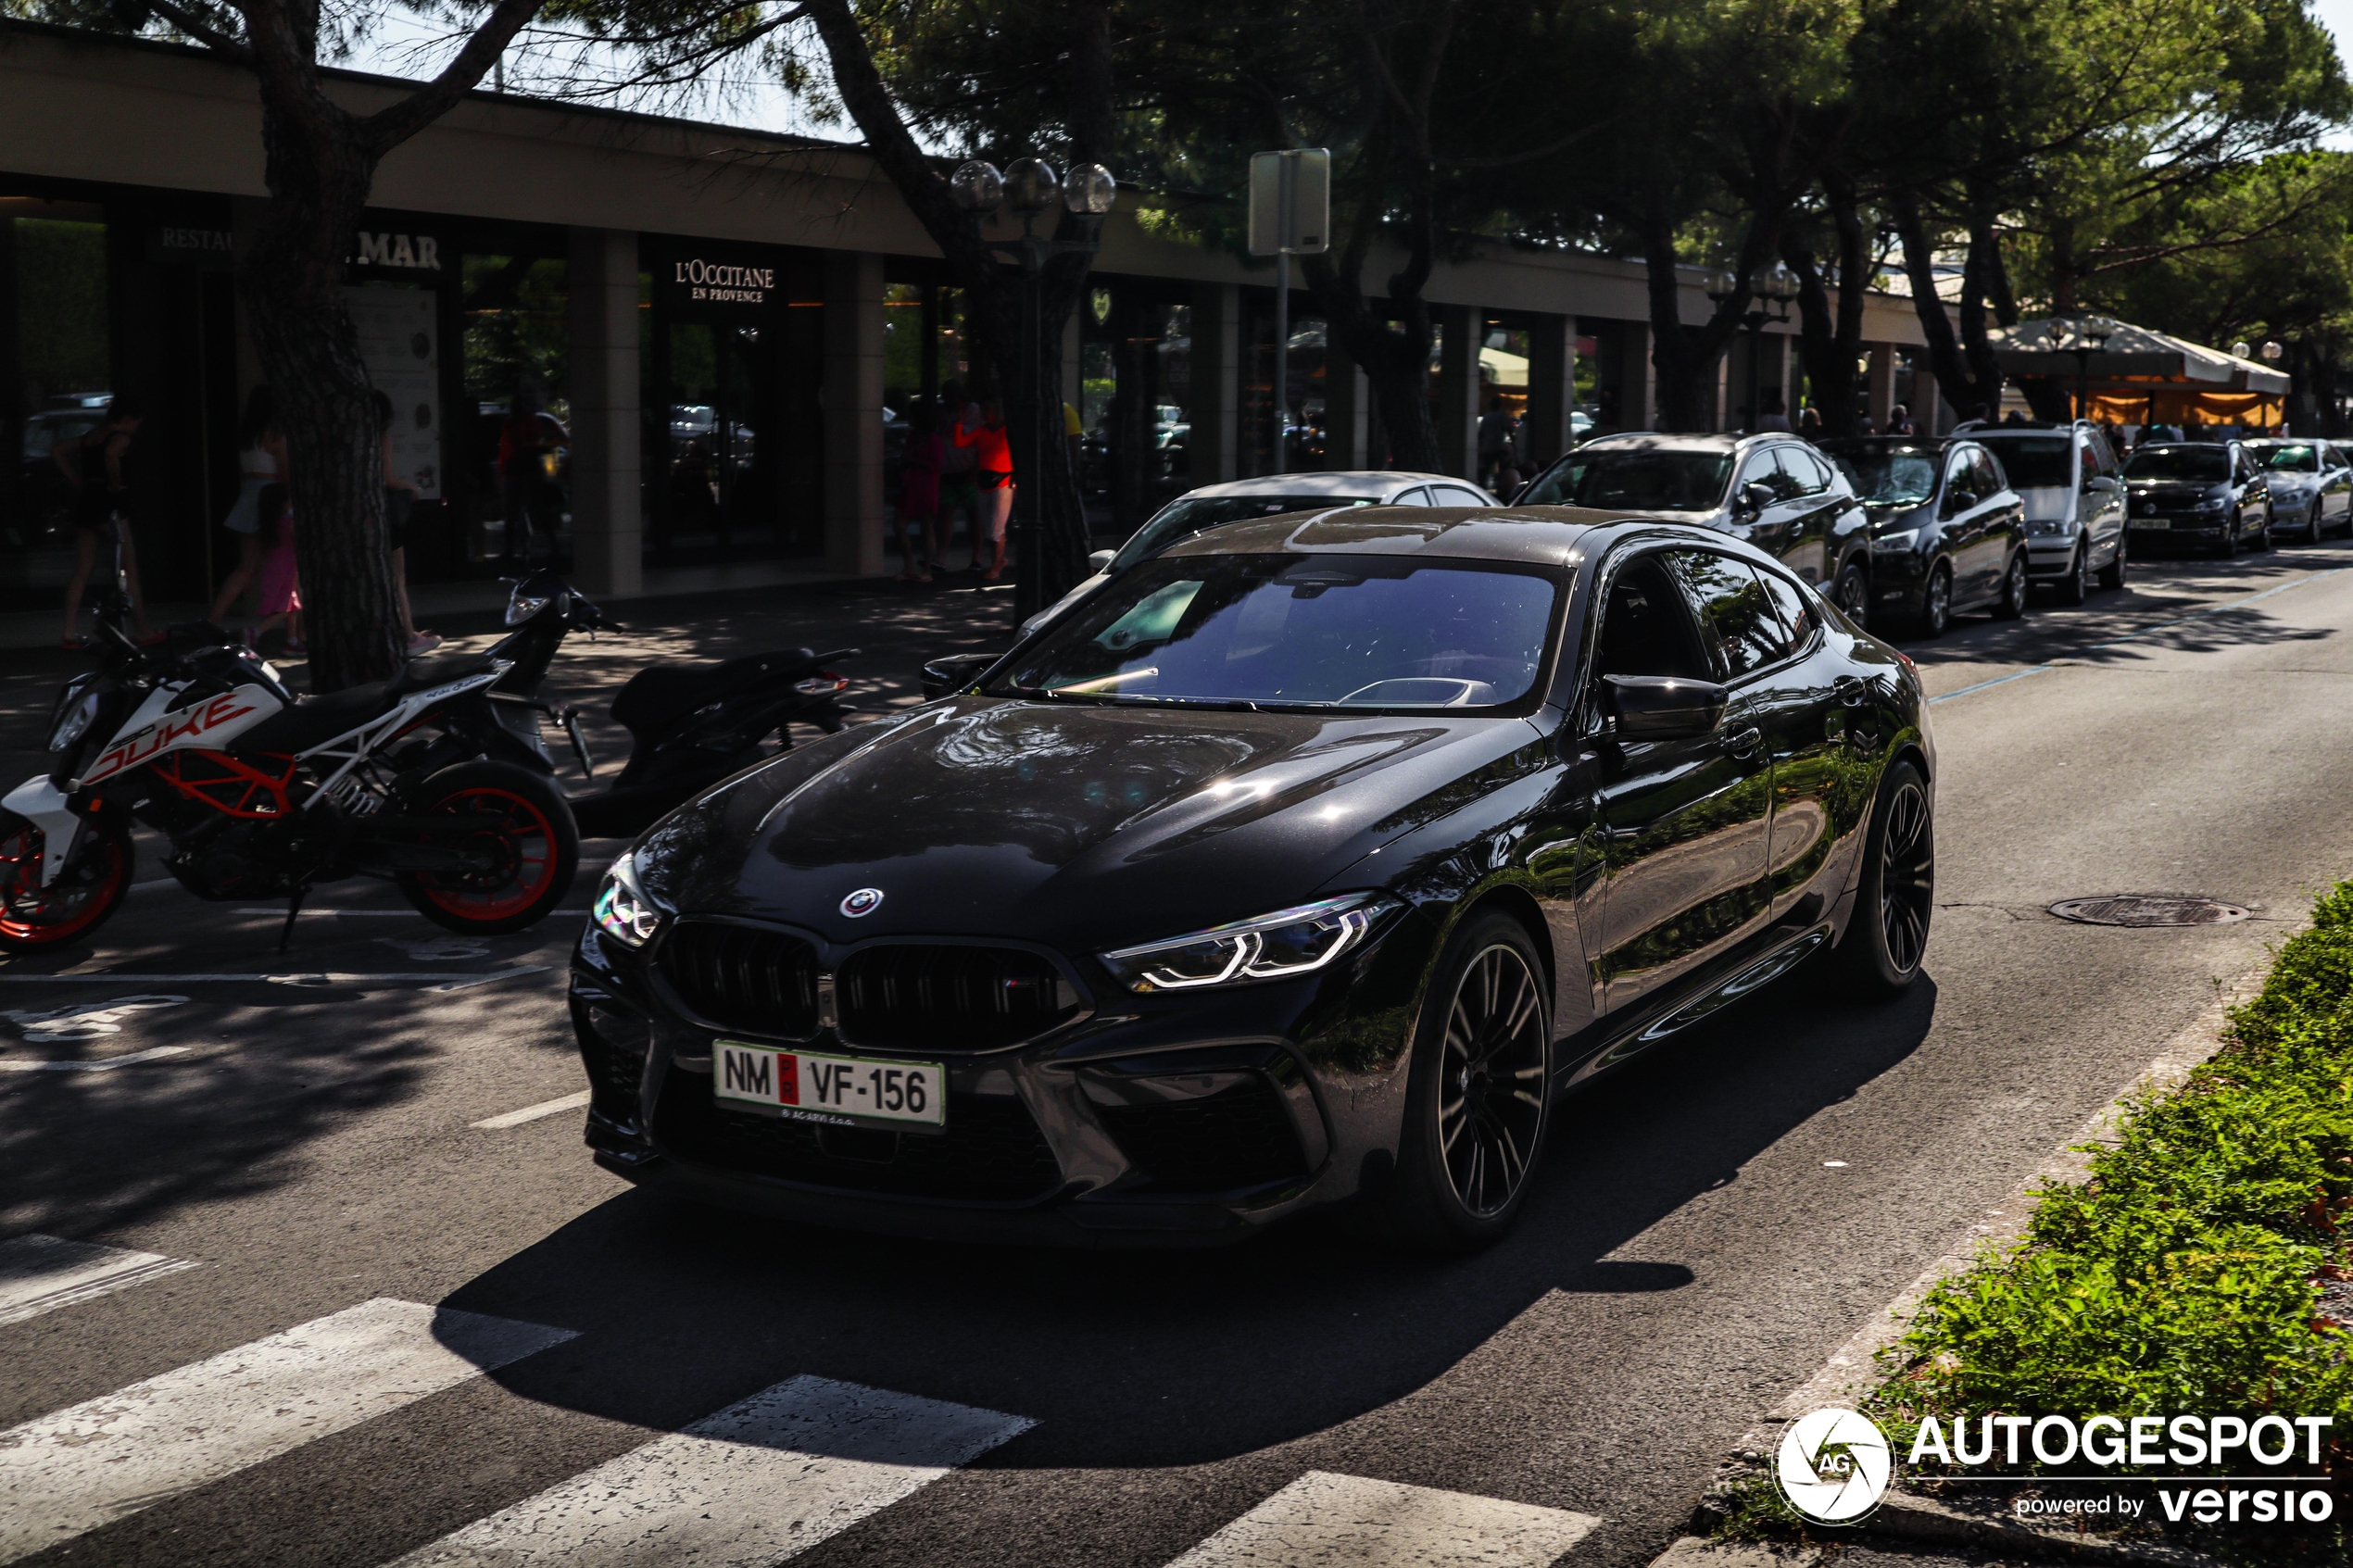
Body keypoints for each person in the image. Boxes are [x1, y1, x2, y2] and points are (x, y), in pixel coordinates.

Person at [55, 395, 156, 647]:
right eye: (137, 423)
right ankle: (142, 630)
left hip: (87, 501)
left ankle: (68, 630)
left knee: (82, 569)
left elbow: (57, 450)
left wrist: (76, 480)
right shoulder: (120, 438)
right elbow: (111, 455)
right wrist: (114, 483)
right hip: (109, 504)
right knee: (129, 569)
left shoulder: (91, 436)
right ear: (129, 419)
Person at [209, 386, 285, 623]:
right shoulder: (274, 434)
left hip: (250, 492)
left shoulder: (247, 435)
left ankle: (214, 618)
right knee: (269, 564)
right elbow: (286, 473)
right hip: (270, 495)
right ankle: (214, 619)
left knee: (247, 566)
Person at [374, 389, 439, 655]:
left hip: (357, 515)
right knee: (397, 576)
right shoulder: (381, 437)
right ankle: (408, 636)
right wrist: (413, 489)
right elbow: (387, 478)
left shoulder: (347, 437)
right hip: (382, 511)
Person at [955, 397, 1014, 580]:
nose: (983, 414)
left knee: (996, 527)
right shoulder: (981, 432)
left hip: (1003, 482)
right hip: (983, 481)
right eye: (982, 411)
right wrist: (960, 421)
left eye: (986, 410)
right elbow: (960, 442)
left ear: (996, 412)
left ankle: (996, 566)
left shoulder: (1008, 431)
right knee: (988, 526)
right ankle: (1000, 559)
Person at [247, 482, 303, 655]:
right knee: (285, 608)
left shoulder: (266, 524)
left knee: (291, 606)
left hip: (274, 569)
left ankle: (291, 640)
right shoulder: (289, 524)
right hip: (286, 571)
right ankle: (255, 632)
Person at [498, 385, 549, 567]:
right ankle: (513, 550)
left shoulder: (520, 423)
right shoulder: (519, 423)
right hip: (520, 471)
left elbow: (508, 449)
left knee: (519, 513)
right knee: (519, 513)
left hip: (521, 471)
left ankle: (512, 550)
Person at [894, 397, 944, 584]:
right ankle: (910, 566)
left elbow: (937, 464)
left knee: (927, 527)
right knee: (900, 525)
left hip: (925, 487)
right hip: (911, 485)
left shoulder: (932, 439)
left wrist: (914, 461)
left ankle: (926, 569)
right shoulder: (912, 437)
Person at [936, 380, 981, 572]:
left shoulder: (975, 412)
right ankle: (941, 556)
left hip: (968, 471)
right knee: (945, 513)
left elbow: (980, 440)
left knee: (974, 515)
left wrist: (976, 469)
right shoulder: (944, 413)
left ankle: (976, 558)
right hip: (947, 470)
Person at [1476, 396, 1517, 489]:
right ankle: (1501, 486)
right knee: (1502, 470)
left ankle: (1482, 487)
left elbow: (1481, 434)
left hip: (1488, 448)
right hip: (1499, 448)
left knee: (1485, 470)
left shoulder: (1487, 417)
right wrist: (1514, 442)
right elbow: (1509, 429)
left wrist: (1480, 447)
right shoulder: (1502, 416)